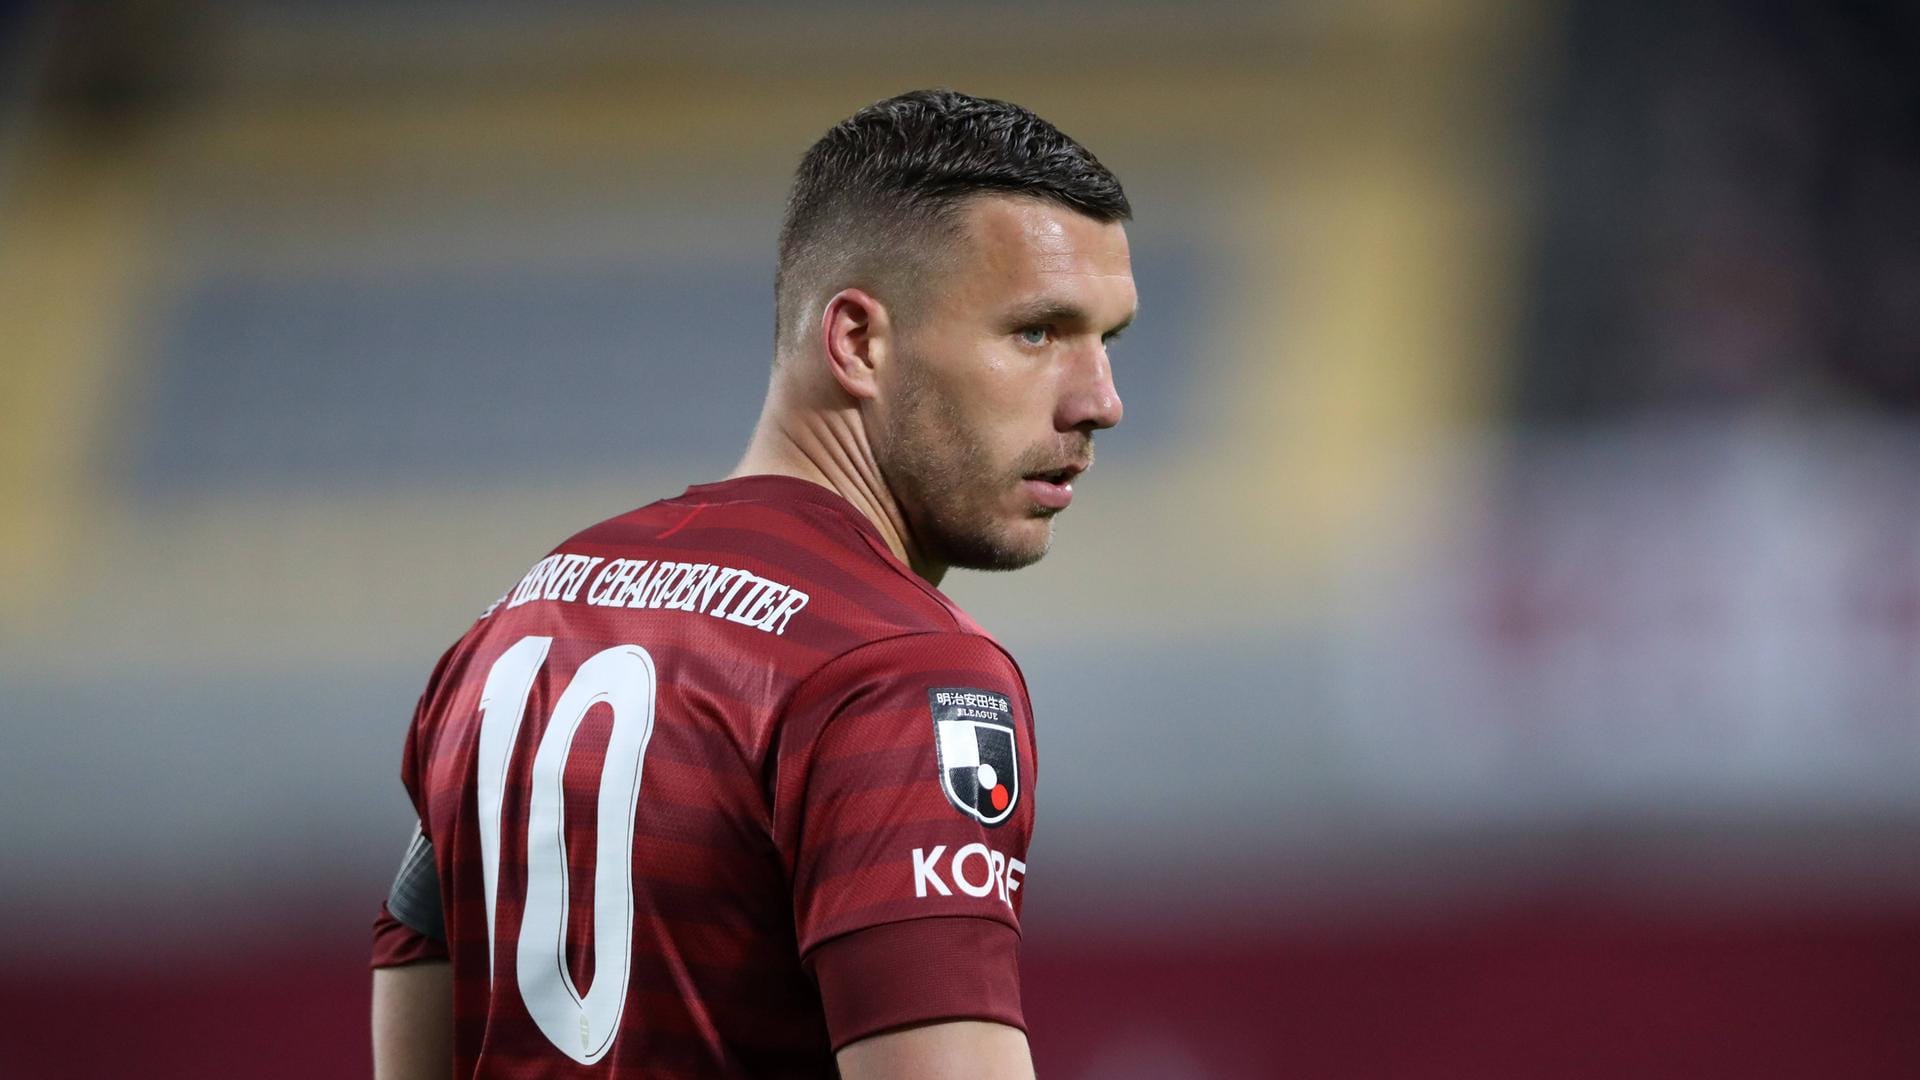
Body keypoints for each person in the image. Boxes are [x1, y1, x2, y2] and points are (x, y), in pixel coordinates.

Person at [369, 88, 1136, 1079]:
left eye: (1108, 341)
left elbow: (415, 1007)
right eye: (1037, 332)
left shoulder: (520, 621)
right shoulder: (900, 669)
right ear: (857, 342)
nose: (1101, 401)